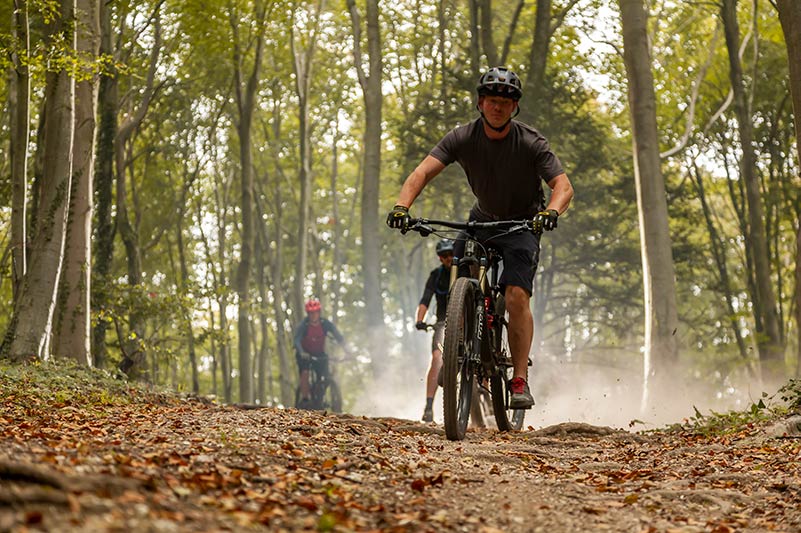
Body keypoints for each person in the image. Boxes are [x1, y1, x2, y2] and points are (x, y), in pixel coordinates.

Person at [386, 66, 574, 410]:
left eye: (505, 102)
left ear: (514, 107)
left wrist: (551, 212)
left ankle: (518, 380)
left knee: (516, 296)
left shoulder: (531, 142)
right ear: (480, 103)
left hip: (522, 226)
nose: (497, 107)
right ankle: (462, 343)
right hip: (481, 221)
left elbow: (563, 186)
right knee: (460, 279)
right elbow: (422, 172)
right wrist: (402, 206)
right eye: (491, 100)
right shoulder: (462, 137)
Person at [415, 239, 454, 422]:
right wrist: (420, 320)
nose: (449, 258)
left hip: (466, 323)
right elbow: (425, 300)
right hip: (442, 323)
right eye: (445, 256)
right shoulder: (436, 275)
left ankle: (486, 403)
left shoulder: (465, 270)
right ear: (440, 258)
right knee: (437, 358)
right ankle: (429, 406)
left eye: (451, 254)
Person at [293, 299, 348, 408]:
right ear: (308, 314)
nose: (314, 315)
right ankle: (305, 399)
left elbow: (339, 337)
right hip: (304, 354)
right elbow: (297, 340)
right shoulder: (304, 325)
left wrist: (348, 351)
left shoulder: (325, 324)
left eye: (316, 312)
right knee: (305, 372)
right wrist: (301, 352)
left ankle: (321, 397)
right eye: (311, 313)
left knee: (325, 377)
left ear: (319, 312)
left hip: (319, 353)